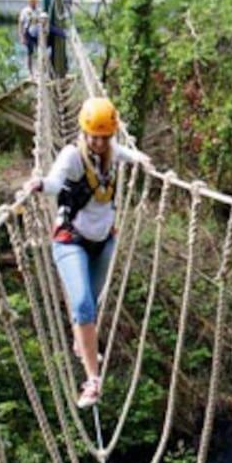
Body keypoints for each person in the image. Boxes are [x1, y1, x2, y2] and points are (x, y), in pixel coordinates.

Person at [23, 98, 153, 407]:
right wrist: (39, 184)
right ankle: (93, 381)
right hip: (71, 240)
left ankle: (80, 341)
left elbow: (127, 153)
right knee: (82, 304)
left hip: (104, 240)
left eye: (104, 137)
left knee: (90, 305)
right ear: (84, 132)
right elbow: (55, 182)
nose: (98, 142)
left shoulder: (111, 151)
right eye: (93, 136)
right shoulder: (72, 155)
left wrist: (141, 159)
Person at [19, 0, 40, 64]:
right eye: (32, 2)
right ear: (29, 2)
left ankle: (38, 68)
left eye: (35, 2)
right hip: (28, 33)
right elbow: (20, 24)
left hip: (37, 33)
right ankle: (30, 71)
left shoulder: (39, 10)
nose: (34, 3)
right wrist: (22, 37)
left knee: (39, 51)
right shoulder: (25, 11)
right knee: (30, 52)